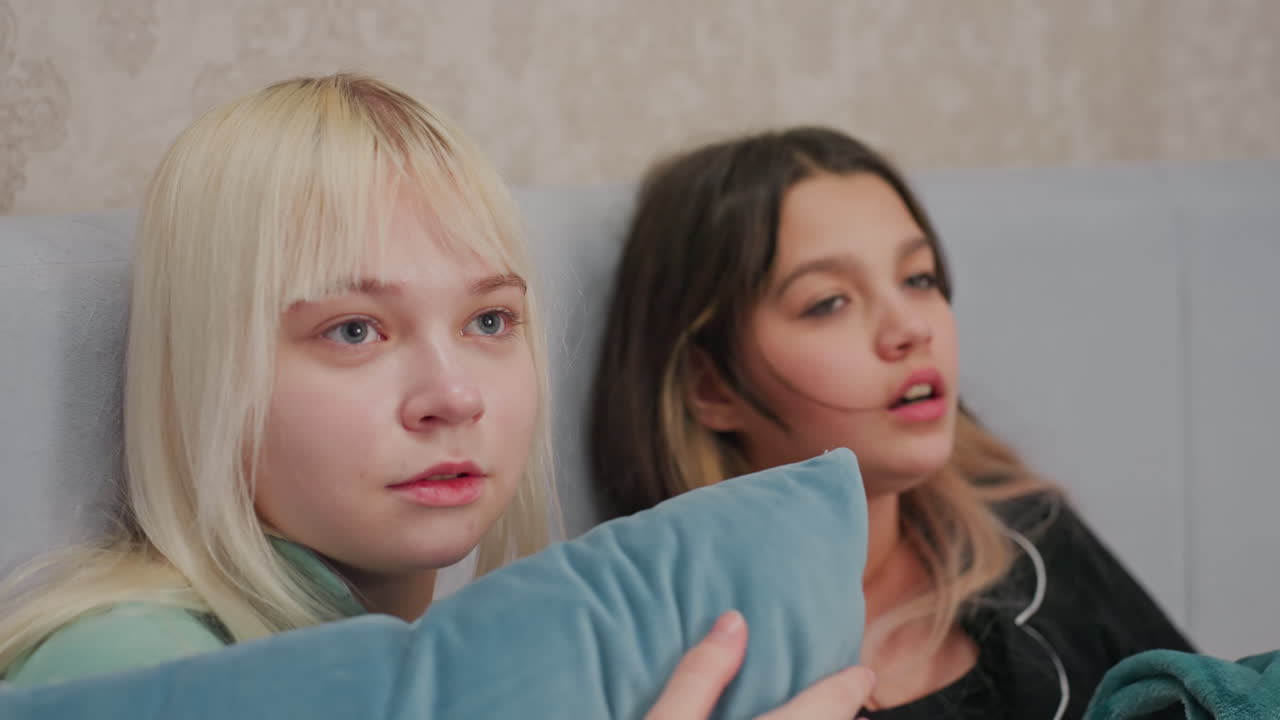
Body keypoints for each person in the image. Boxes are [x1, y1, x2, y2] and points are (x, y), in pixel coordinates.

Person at [0, 75, 873, 719]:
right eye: (354, 330)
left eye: (491, 321)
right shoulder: (121, 669)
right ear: (208, 381)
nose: (453, 397)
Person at [588, 126, 1194, 719]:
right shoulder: (662, 661)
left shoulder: (1030, 536)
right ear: (710, 385)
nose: (911, 327)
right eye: (829, 301)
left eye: (919, 279)